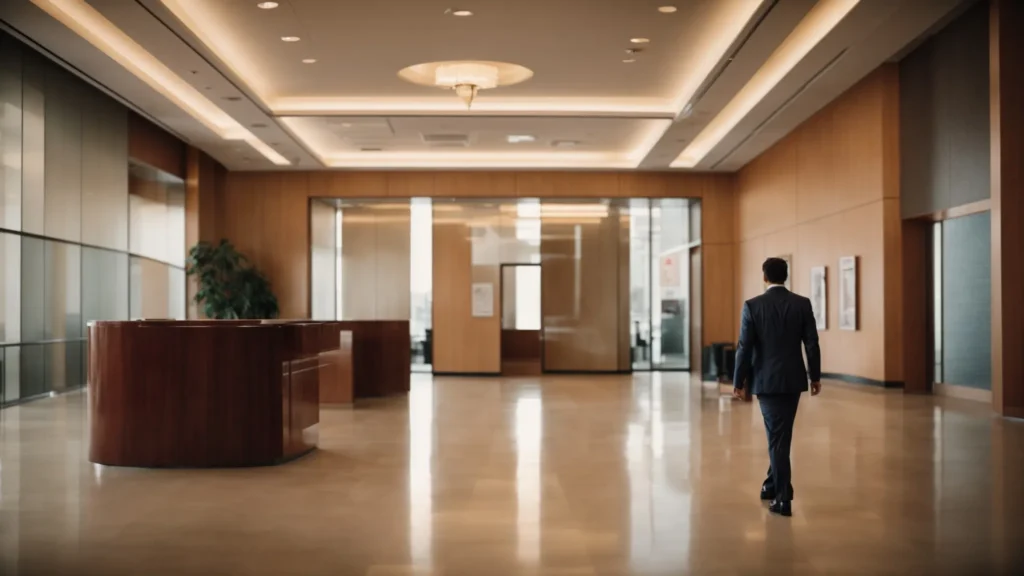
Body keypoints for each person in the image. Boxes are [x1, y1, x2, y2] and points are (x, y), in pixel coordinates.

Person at [732, 257, 821, 517]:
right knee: (780, 435)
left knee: (778, 437)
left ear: (764, 277)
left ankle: (783, 498)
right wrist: (814, 375)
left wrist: (738, 381)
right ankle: (772, 484)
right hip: (792, 380)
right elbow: (812, 344)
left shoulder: (752, 306)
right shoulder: (801, 304)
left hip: (766, 381)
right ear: (786, 276)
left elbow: (744, 347)